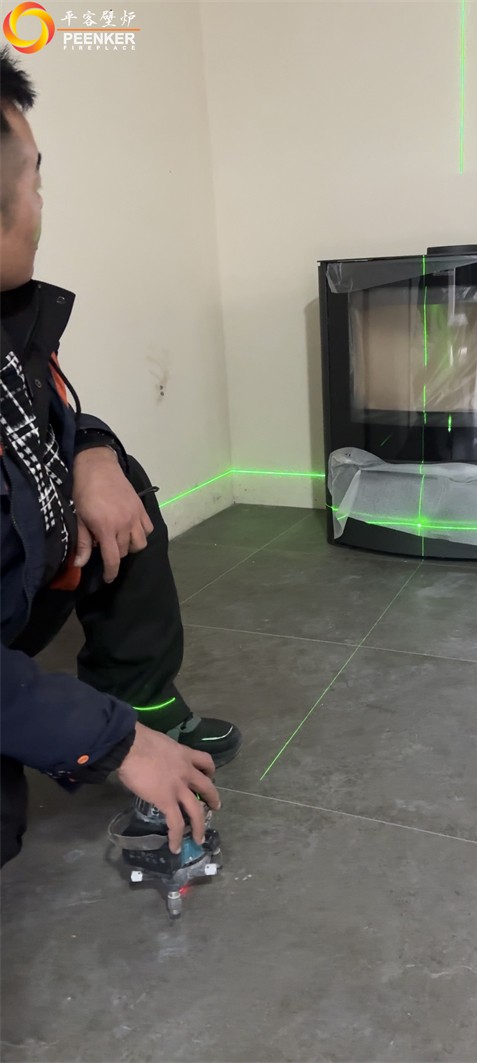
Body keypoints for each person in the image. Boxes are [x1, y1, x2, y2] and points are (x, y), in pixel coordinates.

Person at [0, 48, 242, 868]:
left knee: (119, 479)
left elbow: (52, 419)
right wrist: (115, 743)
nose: (42, 200)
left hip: (19, 582)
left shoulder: (12, 322)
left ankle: (142, 693)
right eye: (33, 179)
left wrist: (94, 453)